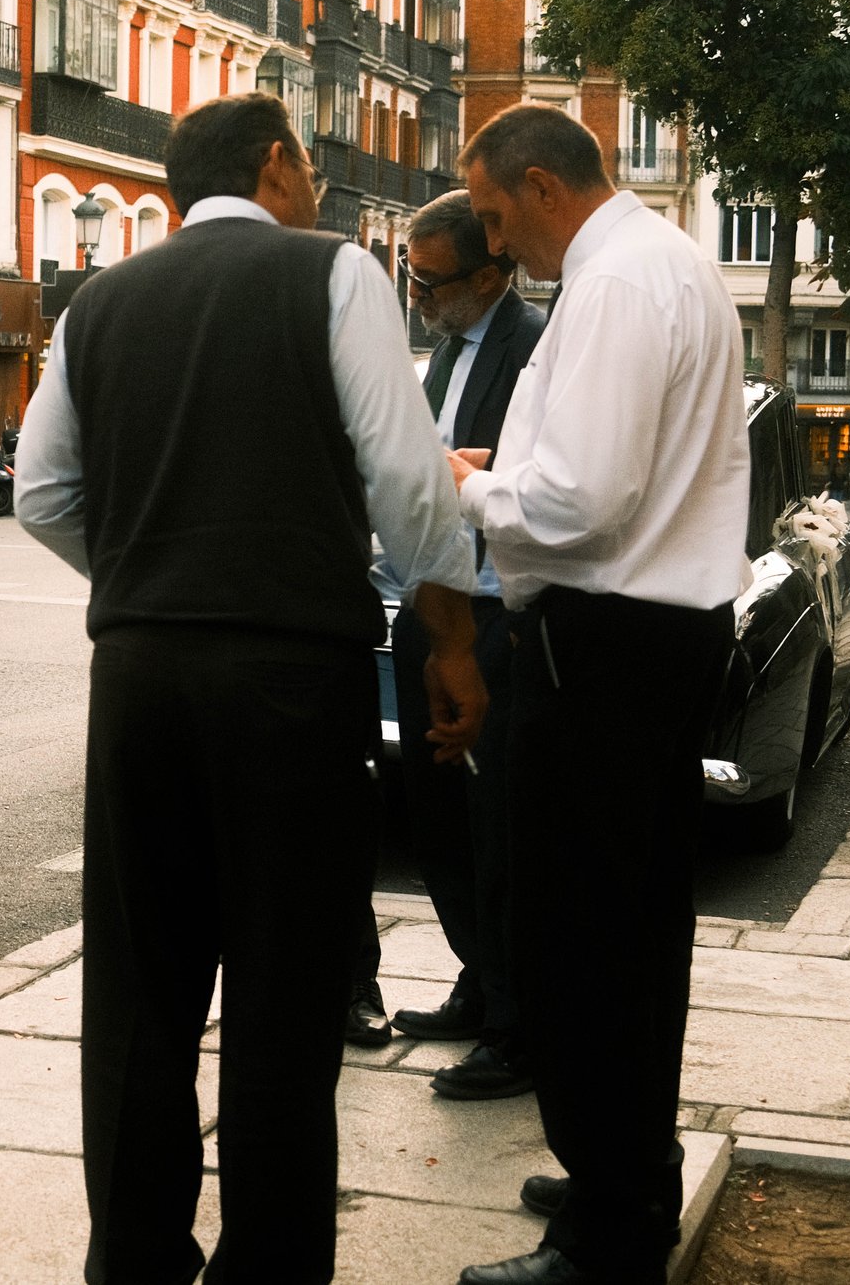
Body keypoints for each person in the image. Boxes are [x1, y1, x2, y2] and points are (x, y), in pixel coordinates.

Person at [16, 91, 485, 1285]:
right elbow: (405, 477)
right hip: (290, 673)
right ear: (275, 165)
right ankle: (269, 1268)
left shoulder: (98, 300)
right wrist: (449, 632)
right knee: (284, 988)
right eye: (312, 165)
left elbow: (42, 497)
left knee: (140, 990)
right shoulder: (332, 275)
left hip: (137, 672)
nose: (318, 187)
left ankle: (133, 1260)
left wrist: (151, 568)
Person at [442, 104, 748, 1285]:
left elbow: (579, 505)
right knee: (624, 935)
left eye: (492, 213)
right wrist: (502, 475)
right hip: (646, 638)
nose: (494, 239)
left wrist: (463, 489)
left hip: (604, 648)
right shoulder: (661, 262)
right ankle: (616, 1168)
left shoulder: (617, 286)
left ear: (541, 186)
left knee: (579, 939)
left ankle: (607, 1230)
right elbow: (591, 479)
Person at [378, 189, 546, 1105]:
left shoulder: (531, 347)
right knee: (438, 819)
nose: (416, 291)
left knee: (497, 833)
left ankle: (517, 1030)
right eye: (410, 270)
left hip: (491, 618)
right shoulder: (447, 350)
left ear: (490, 274)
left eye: (430, 277)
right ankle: (480, 982)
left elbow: (531, 479)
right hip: (431, 608)